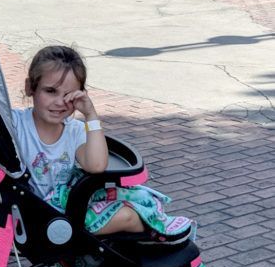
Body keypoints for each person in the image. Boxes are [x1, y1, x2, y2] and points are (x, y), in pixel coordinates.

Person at [13, 45, 193, 242]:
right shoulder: (15, 123)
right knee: (128, 216)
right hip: (43, 219)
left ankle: (154, 226)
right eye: (50, 91)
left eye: (68, 95)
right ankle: (159, 231)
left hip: (71, 207)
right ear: (30, 87)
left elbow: (96, 165)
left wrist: (91, 114)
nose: (59, 102)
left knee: (134, 198)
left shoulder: (74, 130)